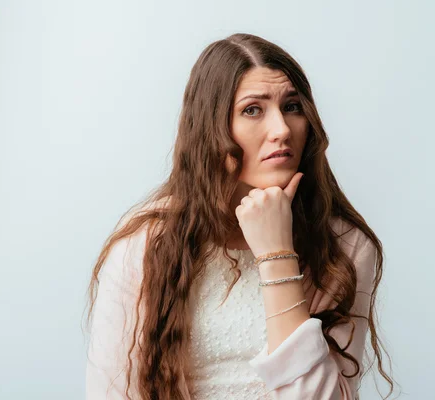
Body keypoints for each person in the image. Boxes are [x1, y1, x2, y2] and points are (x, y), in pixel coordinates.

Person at [84, 33, 396, 400]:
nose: (281, 130)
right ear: (211, 128)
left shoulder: (344, 246)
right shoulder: (144, 242)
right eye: (253, 109)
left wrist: (276, 254)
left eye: (292, 106)